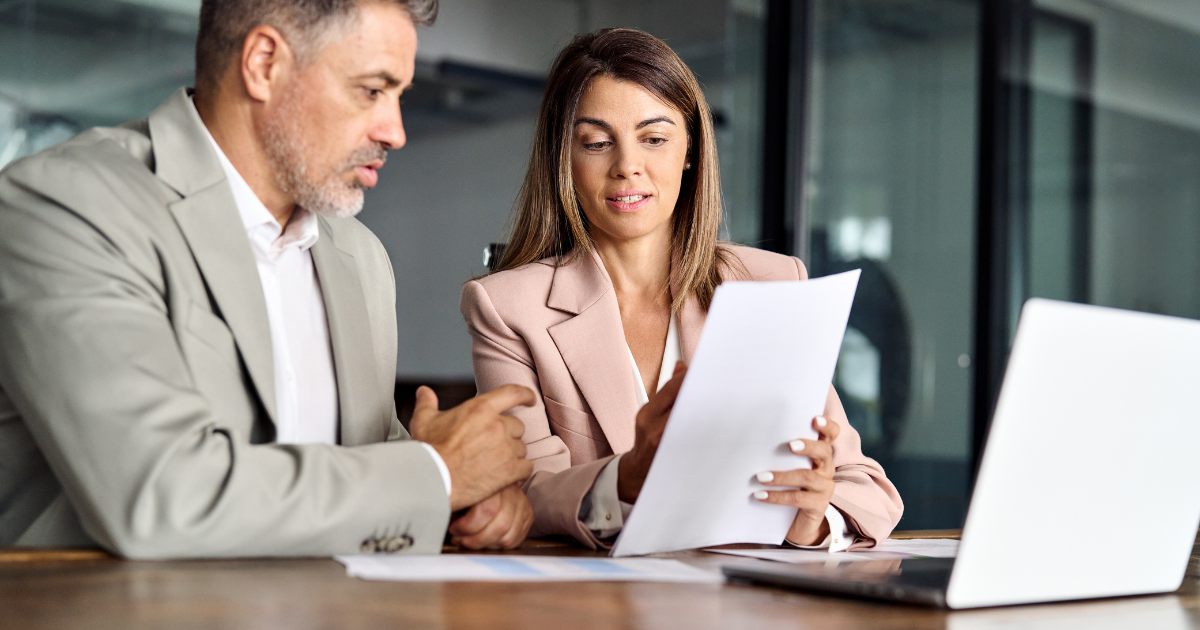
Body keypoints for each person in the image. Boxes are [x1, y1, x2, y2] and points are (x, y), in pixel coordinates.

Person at [0, 0, 537, 557]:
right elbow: (162, 495)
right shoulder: (66, 205)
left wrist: (463, 504)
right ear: (263, 63)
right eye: (372, 90)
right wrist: (436, 475)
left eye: (399, 96)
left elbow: (372, 472)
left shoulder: (361, 258)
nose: (395, 130)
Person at [461, 28, 903, 551]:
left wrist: (813, 517)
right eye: (597, 143)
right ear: (565, 160)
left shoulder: (770, 284)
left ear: (690, 150)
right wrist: (621, 480)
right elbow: (523, 491)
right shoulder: (508, 308)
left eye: (654, 138)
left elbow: (869, 490)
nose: (627, 166)